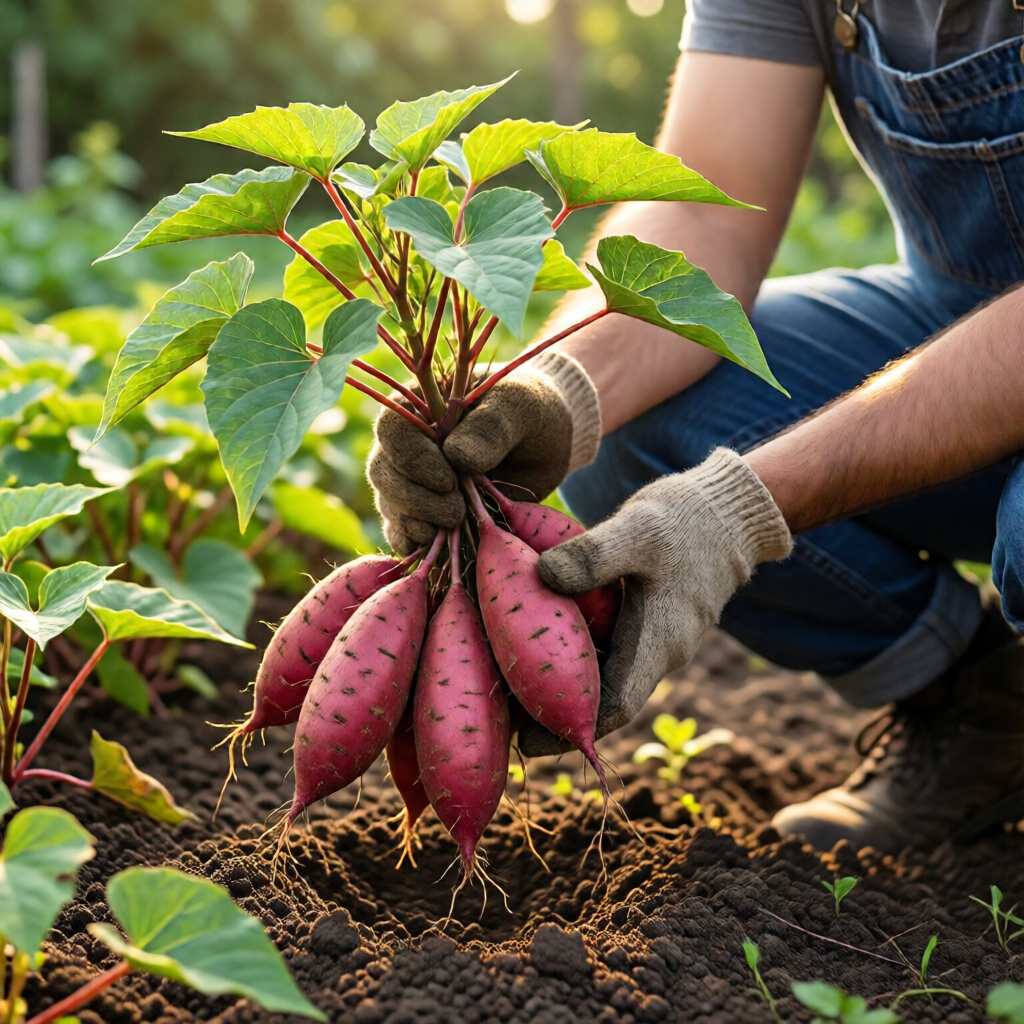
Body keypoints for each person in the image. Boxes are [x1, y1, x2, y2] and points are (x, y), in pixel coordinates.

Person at [368, 0, 1024, 854]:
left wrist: (737, 510)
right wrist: (551, 390)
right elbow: (708, 203)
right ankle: (985, 709)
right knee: (643, 424)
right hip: (950, 315)